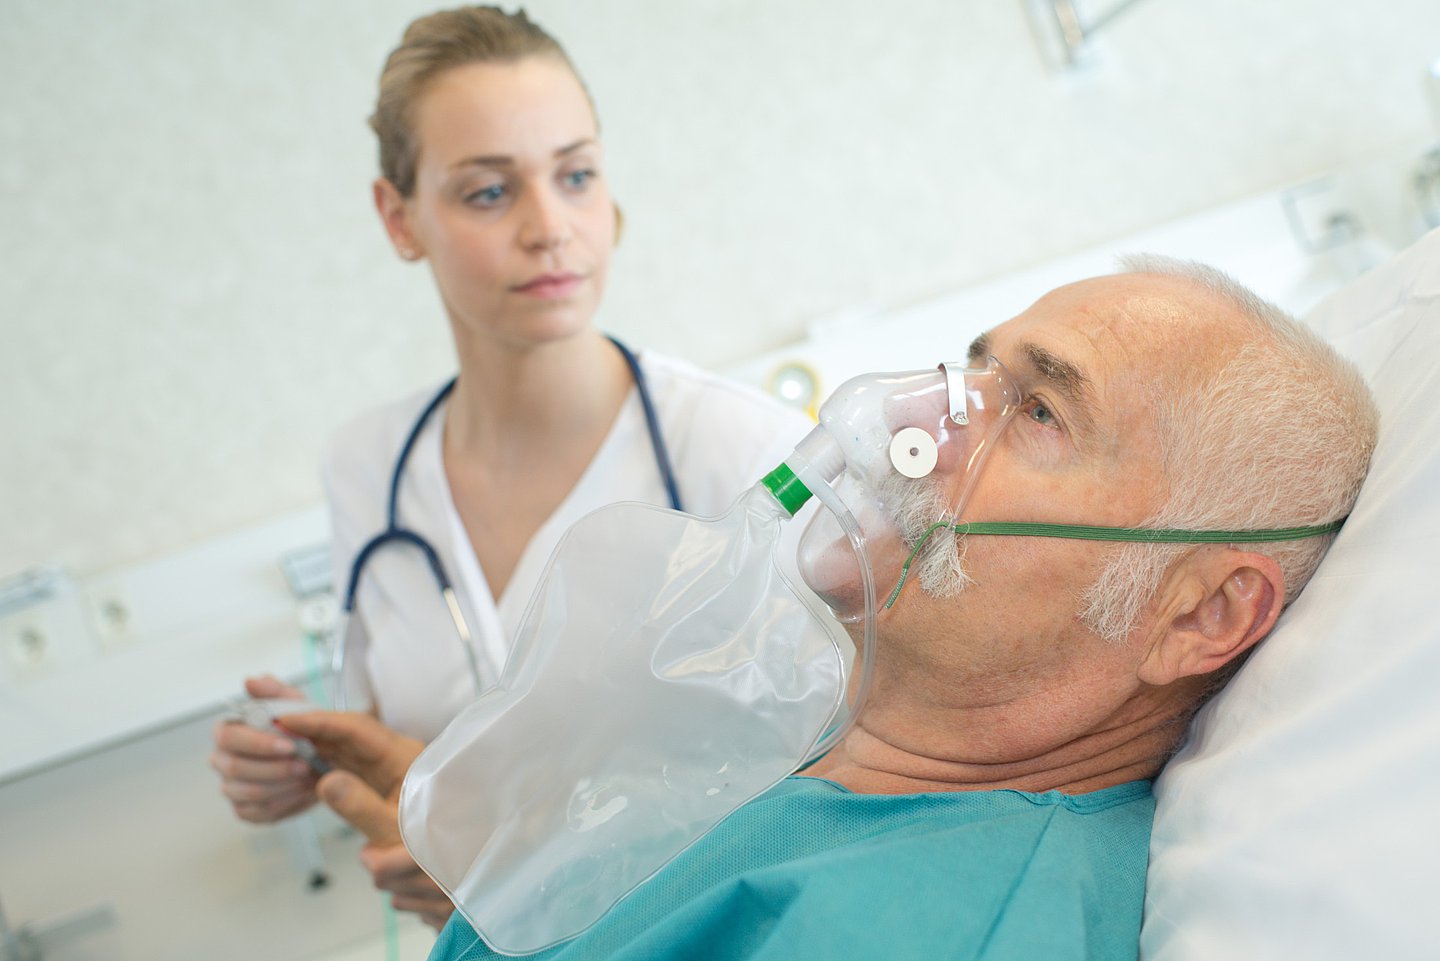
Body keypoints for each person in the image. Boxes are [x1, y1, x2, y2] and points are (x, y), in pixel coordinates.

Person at [282, 256, 1378, 959]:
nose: (912, 419)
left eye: (1038, 412)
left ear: (1202, 615)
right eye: (970, 373)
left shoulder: (954, 930)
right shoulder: (814, 752)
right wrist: (491, 868)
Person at [208, 5, 811, 929]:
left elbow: (840, 769)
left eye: (575, 175)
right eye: (489, 192)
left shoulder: (744, 452)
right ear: (398, 216)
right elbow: (403, 757)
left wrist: (508, 874)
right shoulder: (366, 467)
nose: (550, 227)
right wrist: (306, 759)